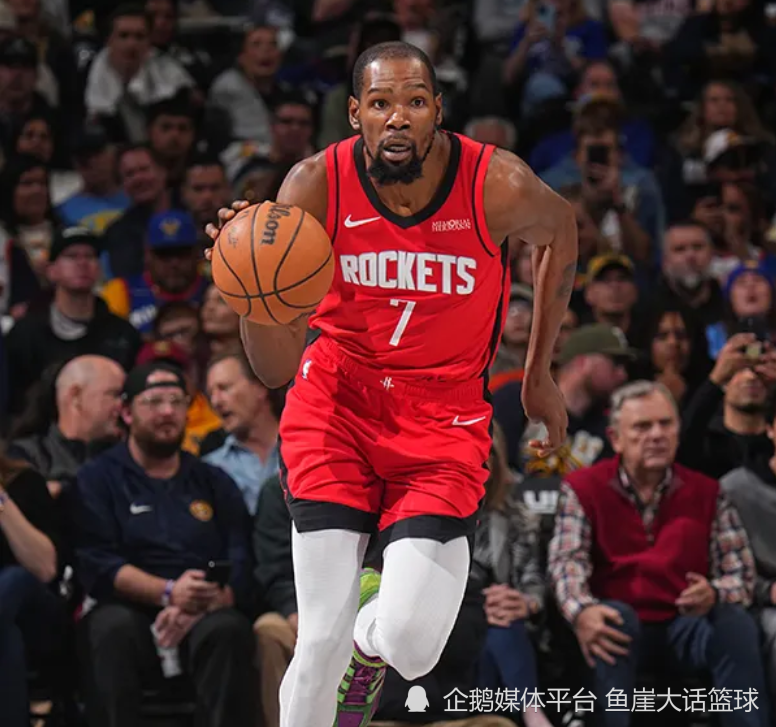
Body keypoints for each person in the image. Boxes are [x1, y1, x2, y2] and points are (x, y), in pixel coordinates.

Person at [206, 40, 578, 727]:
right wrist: (251, 292)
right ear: (356, 114)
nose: (398, 116)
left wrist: (538, 374)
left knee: (409, 645)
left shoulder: (496, 183)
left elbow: (562, 231)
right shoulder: (314, 185)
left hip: (443, 418)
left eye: (414, 101)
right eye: (380, 103)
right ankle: (341, 648)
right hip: (336, 408)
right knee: (316, 640)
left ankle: (367, 643)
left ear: (438, 109)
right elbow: (275, 370)